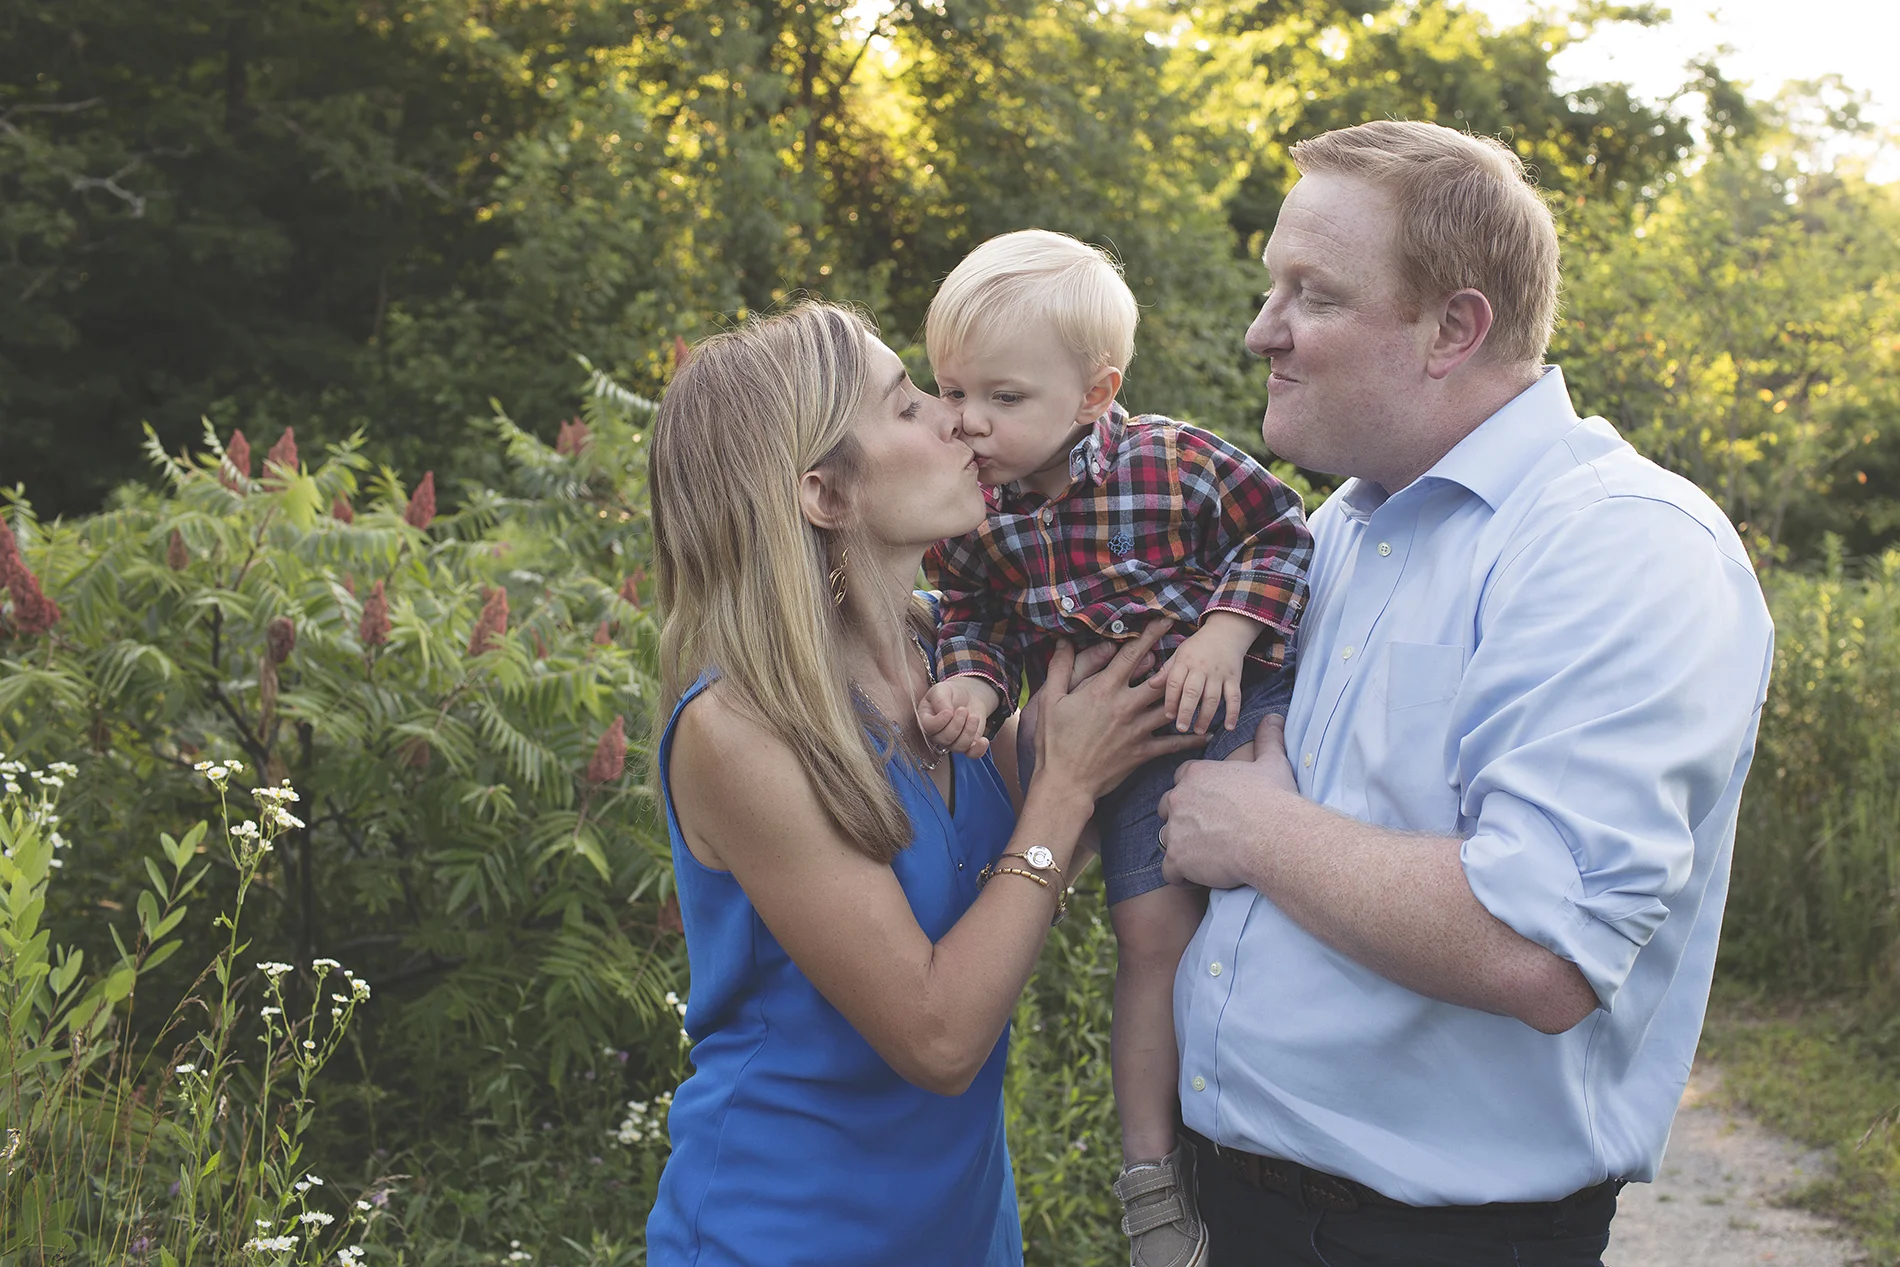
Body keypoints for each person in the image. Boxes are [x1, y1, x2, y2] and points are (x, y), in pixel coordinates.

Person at [1155, 120, 1776, 1266]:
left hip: (1430, 1243)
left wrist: (1258, 831)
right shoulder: (1336, 530)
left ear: (1454, 327)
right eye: (1269, 288)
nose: (1262, 332)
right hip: (1236, 1215)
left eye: (1313, 294)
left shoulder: (1616, 543)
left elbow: (1535, 948)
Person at [641, 300, 1203, 1266]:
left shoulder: (954, 653)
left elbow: (1080, 771)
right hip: (783, 1230)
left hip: (964, 1228)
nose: (956, 420)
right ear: (825, 495)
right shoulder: (738, 729)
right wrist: (1061, 793)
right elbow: (938, 1037)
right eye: (907, 406)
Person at [918, 229, 1313, 1267]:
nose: (966, 421)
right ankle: (1151, 1180)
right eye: (950, 390)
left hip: (1212, 708)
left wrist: (1228, 631)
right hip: (1100, 739)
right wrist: (970, 676)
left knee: (1183, 935)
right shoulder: (977, 512)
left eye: (1003, 398)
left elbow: (1278, 531)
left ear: (1096, 393)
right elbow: (971, 613)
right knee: (1136, 936)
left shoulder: (1170, 460)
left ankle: (1208, 1154)